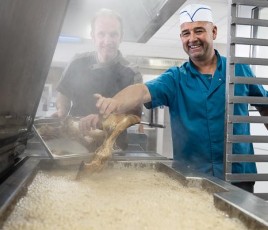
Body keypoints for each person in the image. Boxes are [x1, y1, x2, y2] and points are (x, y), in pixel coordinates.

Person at [90, 4, 268, 193]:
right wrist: (116, 102)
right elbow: (142, 91)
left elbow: (265, 107)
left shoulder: (238, 69)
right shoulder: (175, 78)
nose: (192, 39)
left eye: (199, 31)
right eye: (186, 33)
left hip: (238, 177)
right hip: (193, 178)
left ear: (214, 32)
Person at [54, 8, 143, 150]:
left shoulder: (132, 73)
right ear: (93, 36)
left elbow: (135, 116)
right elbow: (63, 93)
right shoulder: (77, 62)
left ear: (121, 37)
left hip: (113, 148)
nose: (107, 41)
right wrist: (62, 110)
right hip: (75, 144)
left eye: (113, 34)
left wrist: (103, 121)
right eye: (101, 34)